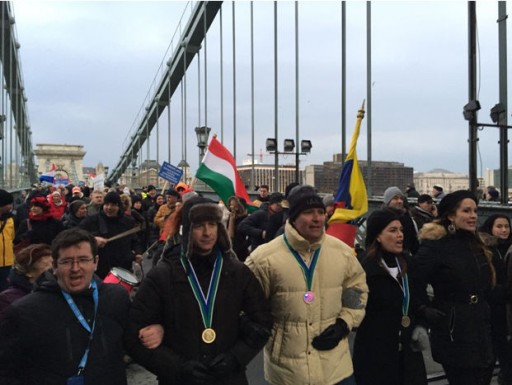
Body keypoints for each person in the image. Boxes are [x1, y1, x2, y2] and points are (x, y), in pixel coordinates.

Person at [125, 196, 273, 385]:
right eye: (198, 226)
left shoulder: (237, 272)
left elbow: (263, 321)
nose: (207, 233)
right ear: (187, 229)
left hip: (228, 379)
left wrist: (236, 358)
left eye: (212, 224)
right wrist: (176, 367)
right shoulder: (164, 274)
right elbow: (133, 335)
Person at [245, 185, 368, 385]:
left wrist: (344, 323)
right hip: (288, 371)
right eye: (308, 212)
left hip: (336, 368)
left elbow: (357, 290)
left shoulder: (342, 252)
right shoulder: (264, 259)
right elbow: (247, 305)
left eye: (320, 212)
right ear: (293, 217)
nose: (317, 218)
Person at [0, 228, 130, 385]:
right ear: (54, 266)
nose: (76, 268)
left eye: (83, 260)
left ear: (95, 262)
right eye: (67, 261)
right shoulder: (25, 312)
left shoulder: (116, 298)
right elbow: (7, 370)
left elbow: (136, 342)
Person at [409, 190, 496, 385]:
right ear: (450, 215)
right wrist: (424, 309)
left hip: (480, 326)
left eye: (475, 210)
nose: (473, 215)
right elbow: (414, 280)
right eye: (466, 211)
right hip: (454, 329)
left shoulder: (476, 244)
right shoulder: (436, 246)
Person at [353, 208, 427, 385]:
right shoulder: (364, 267)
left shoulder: (408, 263)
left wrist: (423, 318)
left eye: (401, 230)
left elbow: (419, 297)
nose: (400, 235)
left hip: (409, 350)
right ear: (378, 235)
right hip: (376, 351)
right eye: (393, 231)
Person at [479, 214, 512, 385]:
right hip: (493, 313)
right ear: (490, 228)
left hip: (505, 313)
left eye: (507, 226)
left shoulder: (506, 248)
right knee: (490, 359)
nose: (504, 230)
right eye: (499, 226)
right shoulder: (486, 250)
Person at [80, 191, 143, 279]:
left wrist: (138, 253)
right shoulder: (92, 221)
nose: (109, 208)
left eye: (113, 205)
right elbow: (76, 236)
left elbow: (135, 240)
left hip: (122, 266)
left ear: (119, 206)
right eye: (107, 204)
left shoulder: (128, 221)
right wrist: (93, 239)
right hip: (100, 268)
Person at [0, 244, 53, 321]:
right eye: (47, 268)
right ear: (28, 273)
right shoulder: (7, 300)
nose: (54, 272)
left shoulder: (61, 292)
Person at [382, 186, 420, 255]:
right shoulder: (379, 219)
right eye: (395, 198)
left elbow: (413, 243)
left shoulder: (406, 218)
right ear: (388, 201)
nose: (400, 201)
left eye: (401, 198)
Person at [226, 196, 250, 261]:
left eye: (233, 205)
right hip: (231, 247)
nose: (231, 207)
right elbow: (229, 235)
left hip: (241, 249)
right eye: (230, 205)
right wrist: (231, 220)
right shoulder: (231, 217)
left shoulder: (245, 219)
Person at [0, 190, 15, 292]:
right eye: (8, 204)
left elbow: (12, 237)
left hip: (7, 262)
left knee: (5, 290)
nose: (10, 206)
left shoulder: (10, 220)